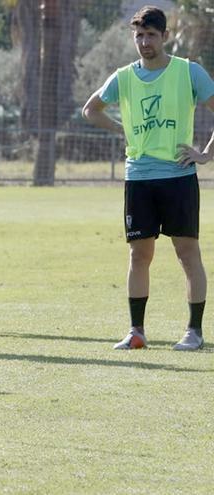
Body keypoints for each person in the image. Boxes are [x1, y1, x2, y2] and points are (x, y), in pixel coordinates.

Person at [82, 6, 214, 351]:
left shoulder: (189, 72)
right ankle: (136, 331)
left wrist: (206, 154)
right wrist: (120, 128)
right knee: (139, 256)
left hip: (179, 176)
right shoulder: (123, 76)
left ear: (164, 36)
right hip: (139, 177)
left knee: (187, 253)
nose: (144, 42)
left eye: (151, 35)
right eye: (139, 35)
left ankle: (194, 332)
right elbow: (90, 109)